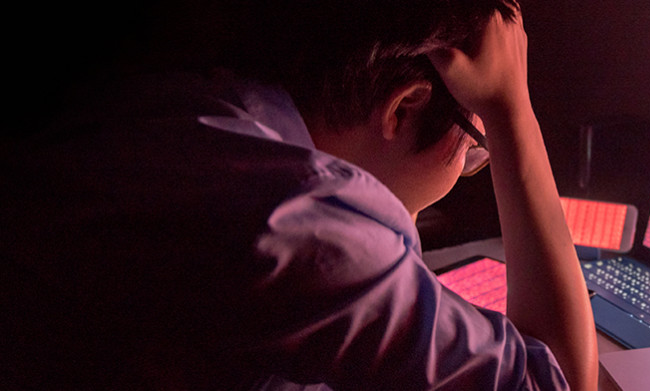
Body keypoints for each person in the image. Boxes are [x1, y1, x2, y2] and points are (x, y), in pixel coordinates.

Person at [0, 0, 597, 390]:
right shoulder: (299, 219)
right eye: (475, 145)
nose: (470, 161)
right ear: (404, 108)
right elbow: (562, 380)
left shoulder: (182, 110)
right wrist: (513, 109)